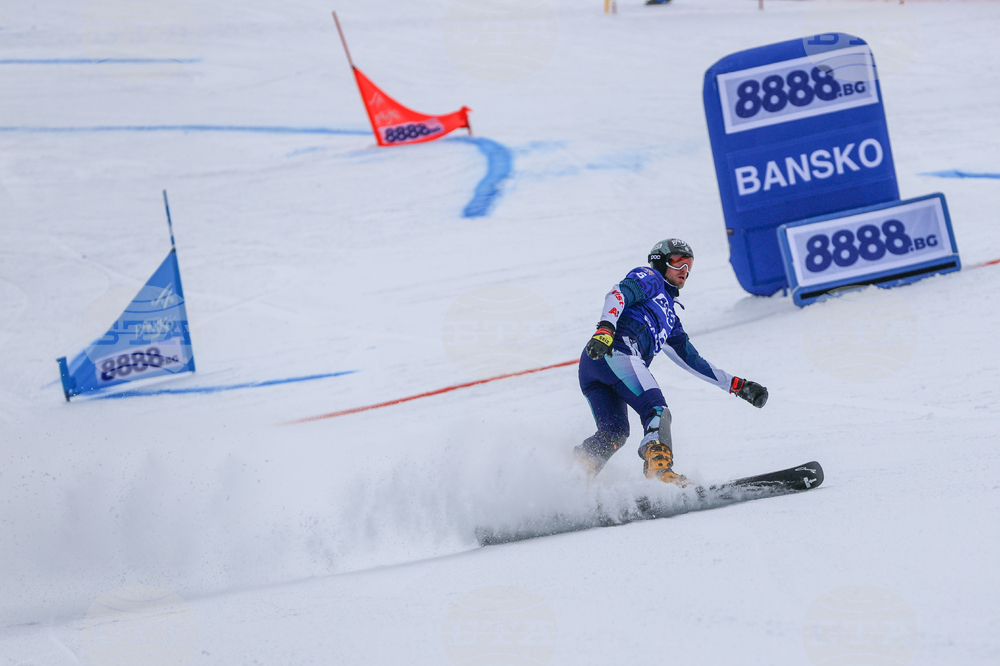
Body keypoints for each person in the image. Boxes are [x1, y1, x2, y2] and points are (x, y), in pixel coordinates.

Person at [575, 238, 768, 485]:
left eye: (688, 265)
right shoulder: (651, 278)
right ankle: (659, 473)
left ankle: (575, 475)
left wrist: (737, 385)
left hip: (597, 368)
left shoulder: (670, 317)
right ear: (660, 262)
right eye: (677, 262)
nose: (684, 271)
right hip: (614, 350)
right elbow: (618, 293)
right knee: (656, 410)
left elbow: (691, 359)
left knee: (615, 432)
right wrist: (605, 328)